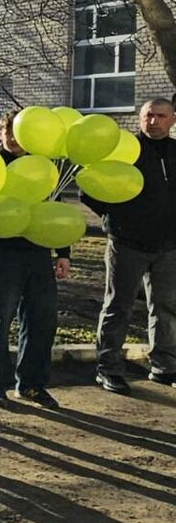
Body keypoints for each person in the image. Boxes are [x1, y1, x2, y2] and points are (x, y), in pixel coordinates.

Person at [84, 97, 176, 394]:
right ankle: (108, 368)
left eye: (161, 116)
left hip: (169, 246)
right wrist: (118, 218)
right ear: (140, 118)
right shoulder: (124, 150)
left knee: (165, 308)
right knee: (118, 307)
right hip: (127, 244)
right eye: (149, 115)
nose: (154, 121)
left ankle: (164, 366)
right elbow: (90, 189)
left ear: (173, 119)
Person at [0, 111, 70, 408]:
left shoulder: (42, 167)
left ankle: (31, 384)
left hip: (38, 251)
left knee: (42, 320)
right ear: (1, 133)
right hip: (2, 251)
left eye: (20, 133)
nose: (14, 139)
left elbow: (56, 210)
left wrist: (63, 253)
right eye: (9, 132)